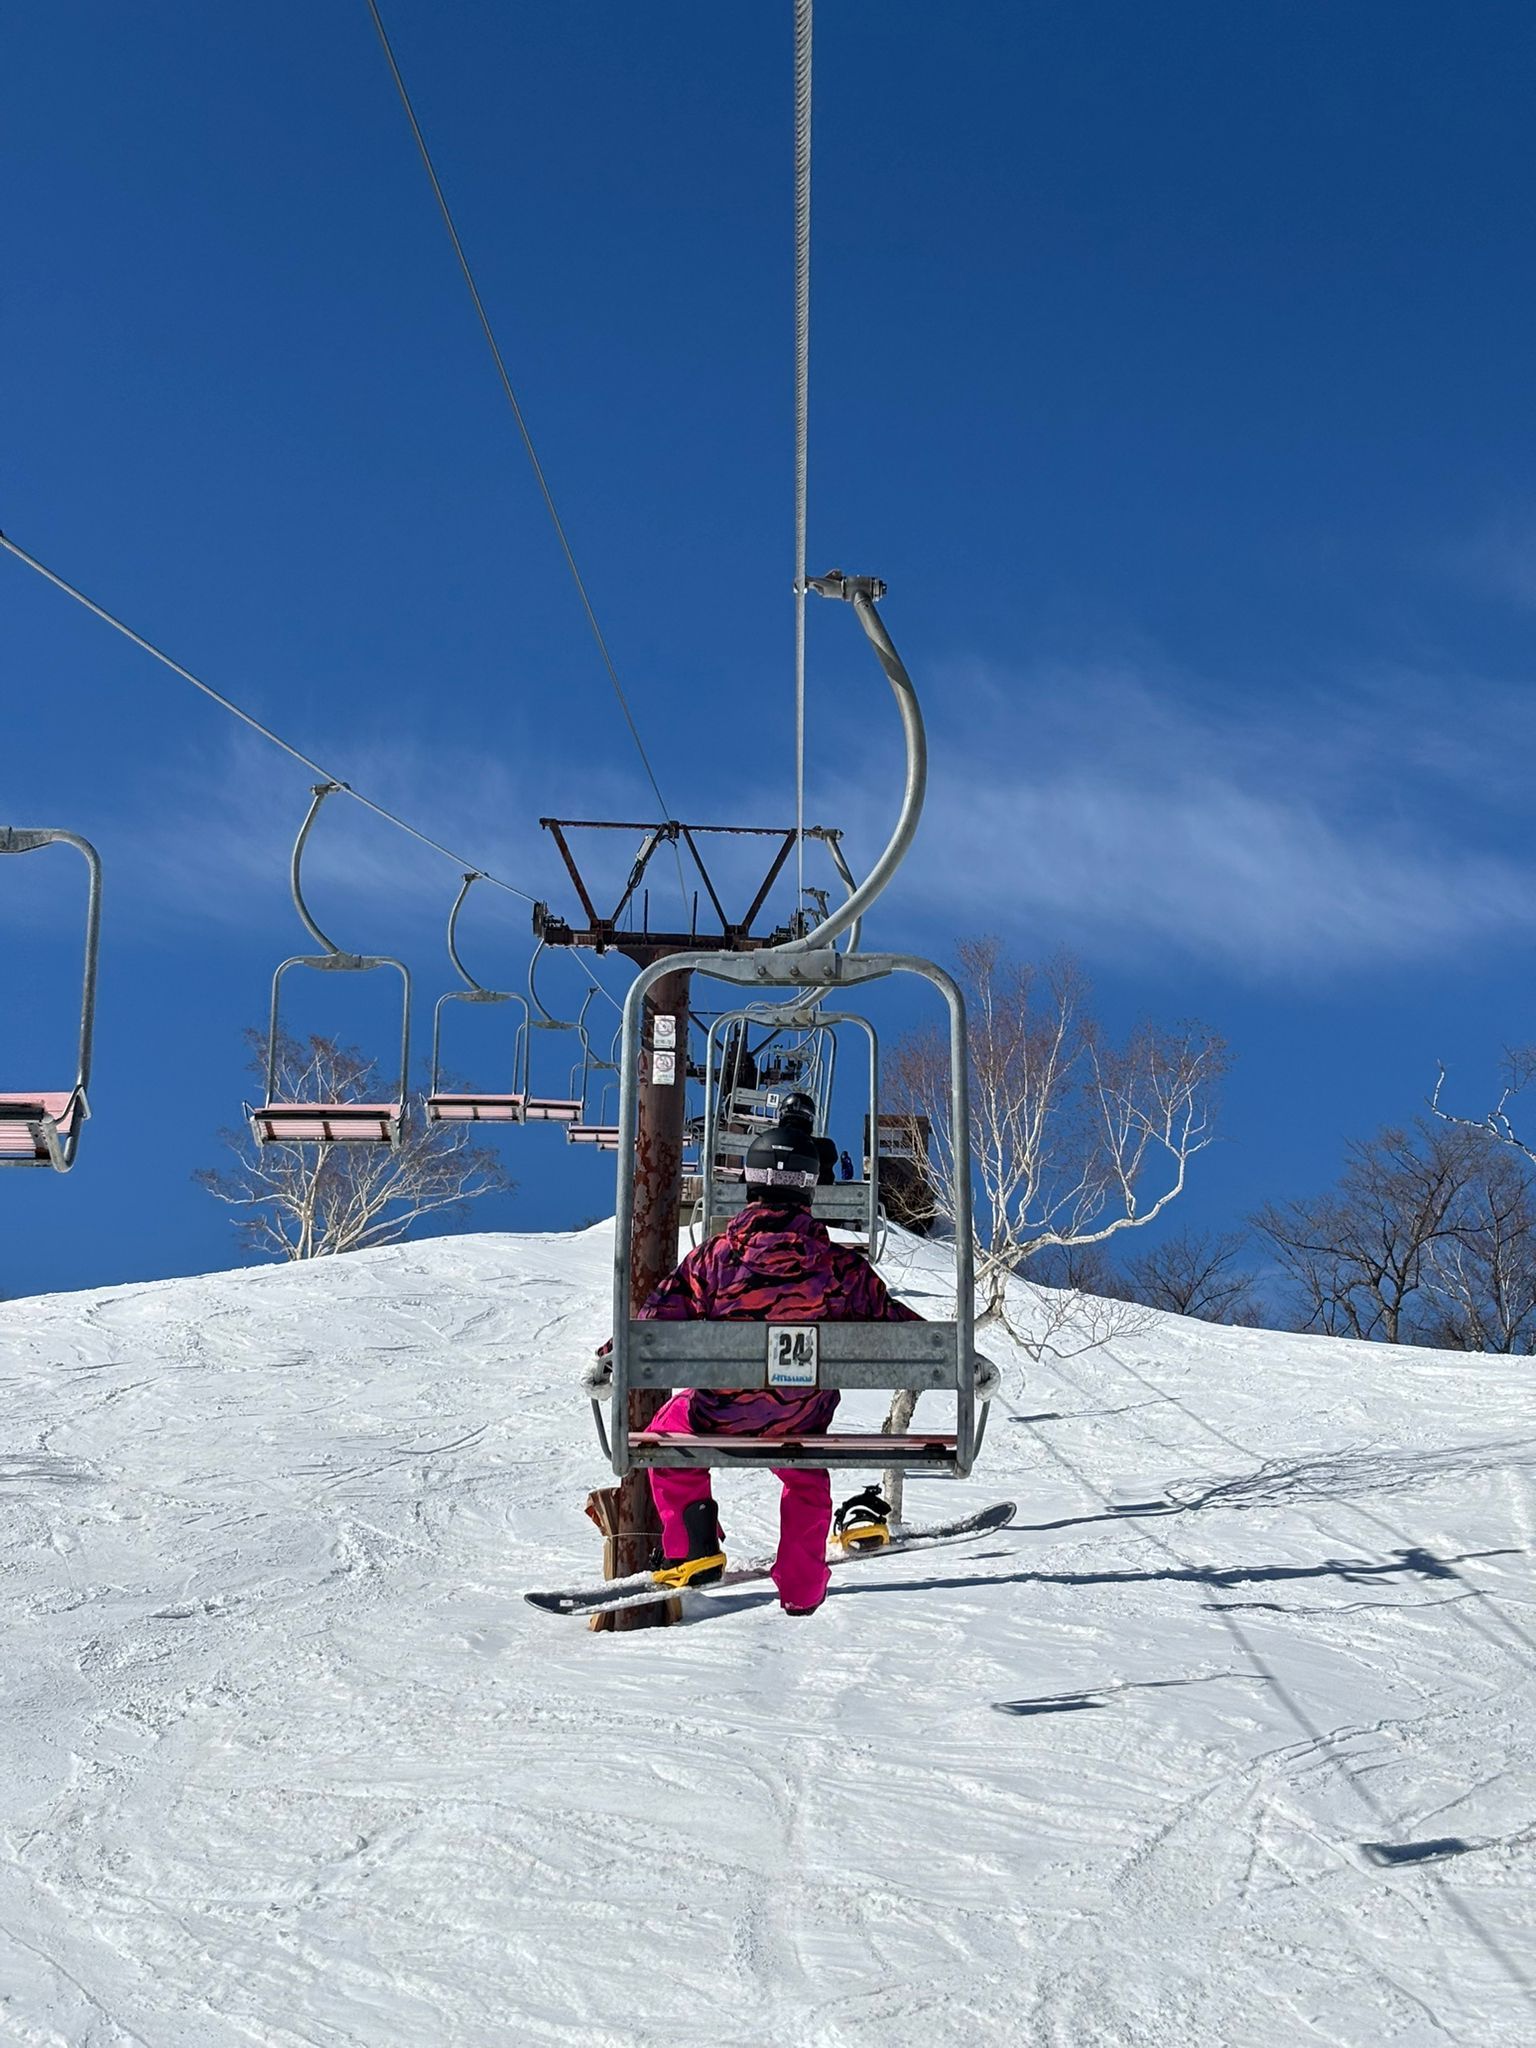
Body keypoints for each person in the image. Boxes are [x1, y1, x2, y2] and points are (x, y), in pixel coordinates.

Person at [634, 1109, 918, 1614]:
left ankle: (694, 1548)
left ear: (750, 1183)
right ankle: (802, 1585)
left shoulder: (712, 1259)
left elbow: (655, 1324)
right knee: (806, 1474)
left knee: (666, 1437)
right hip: (799, 1416)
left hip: (721, 1414)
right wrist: (954, 1357)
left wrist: (612, 1358)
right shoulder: (840, 1268)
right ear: (810, 1189)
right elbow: (900, 1331)